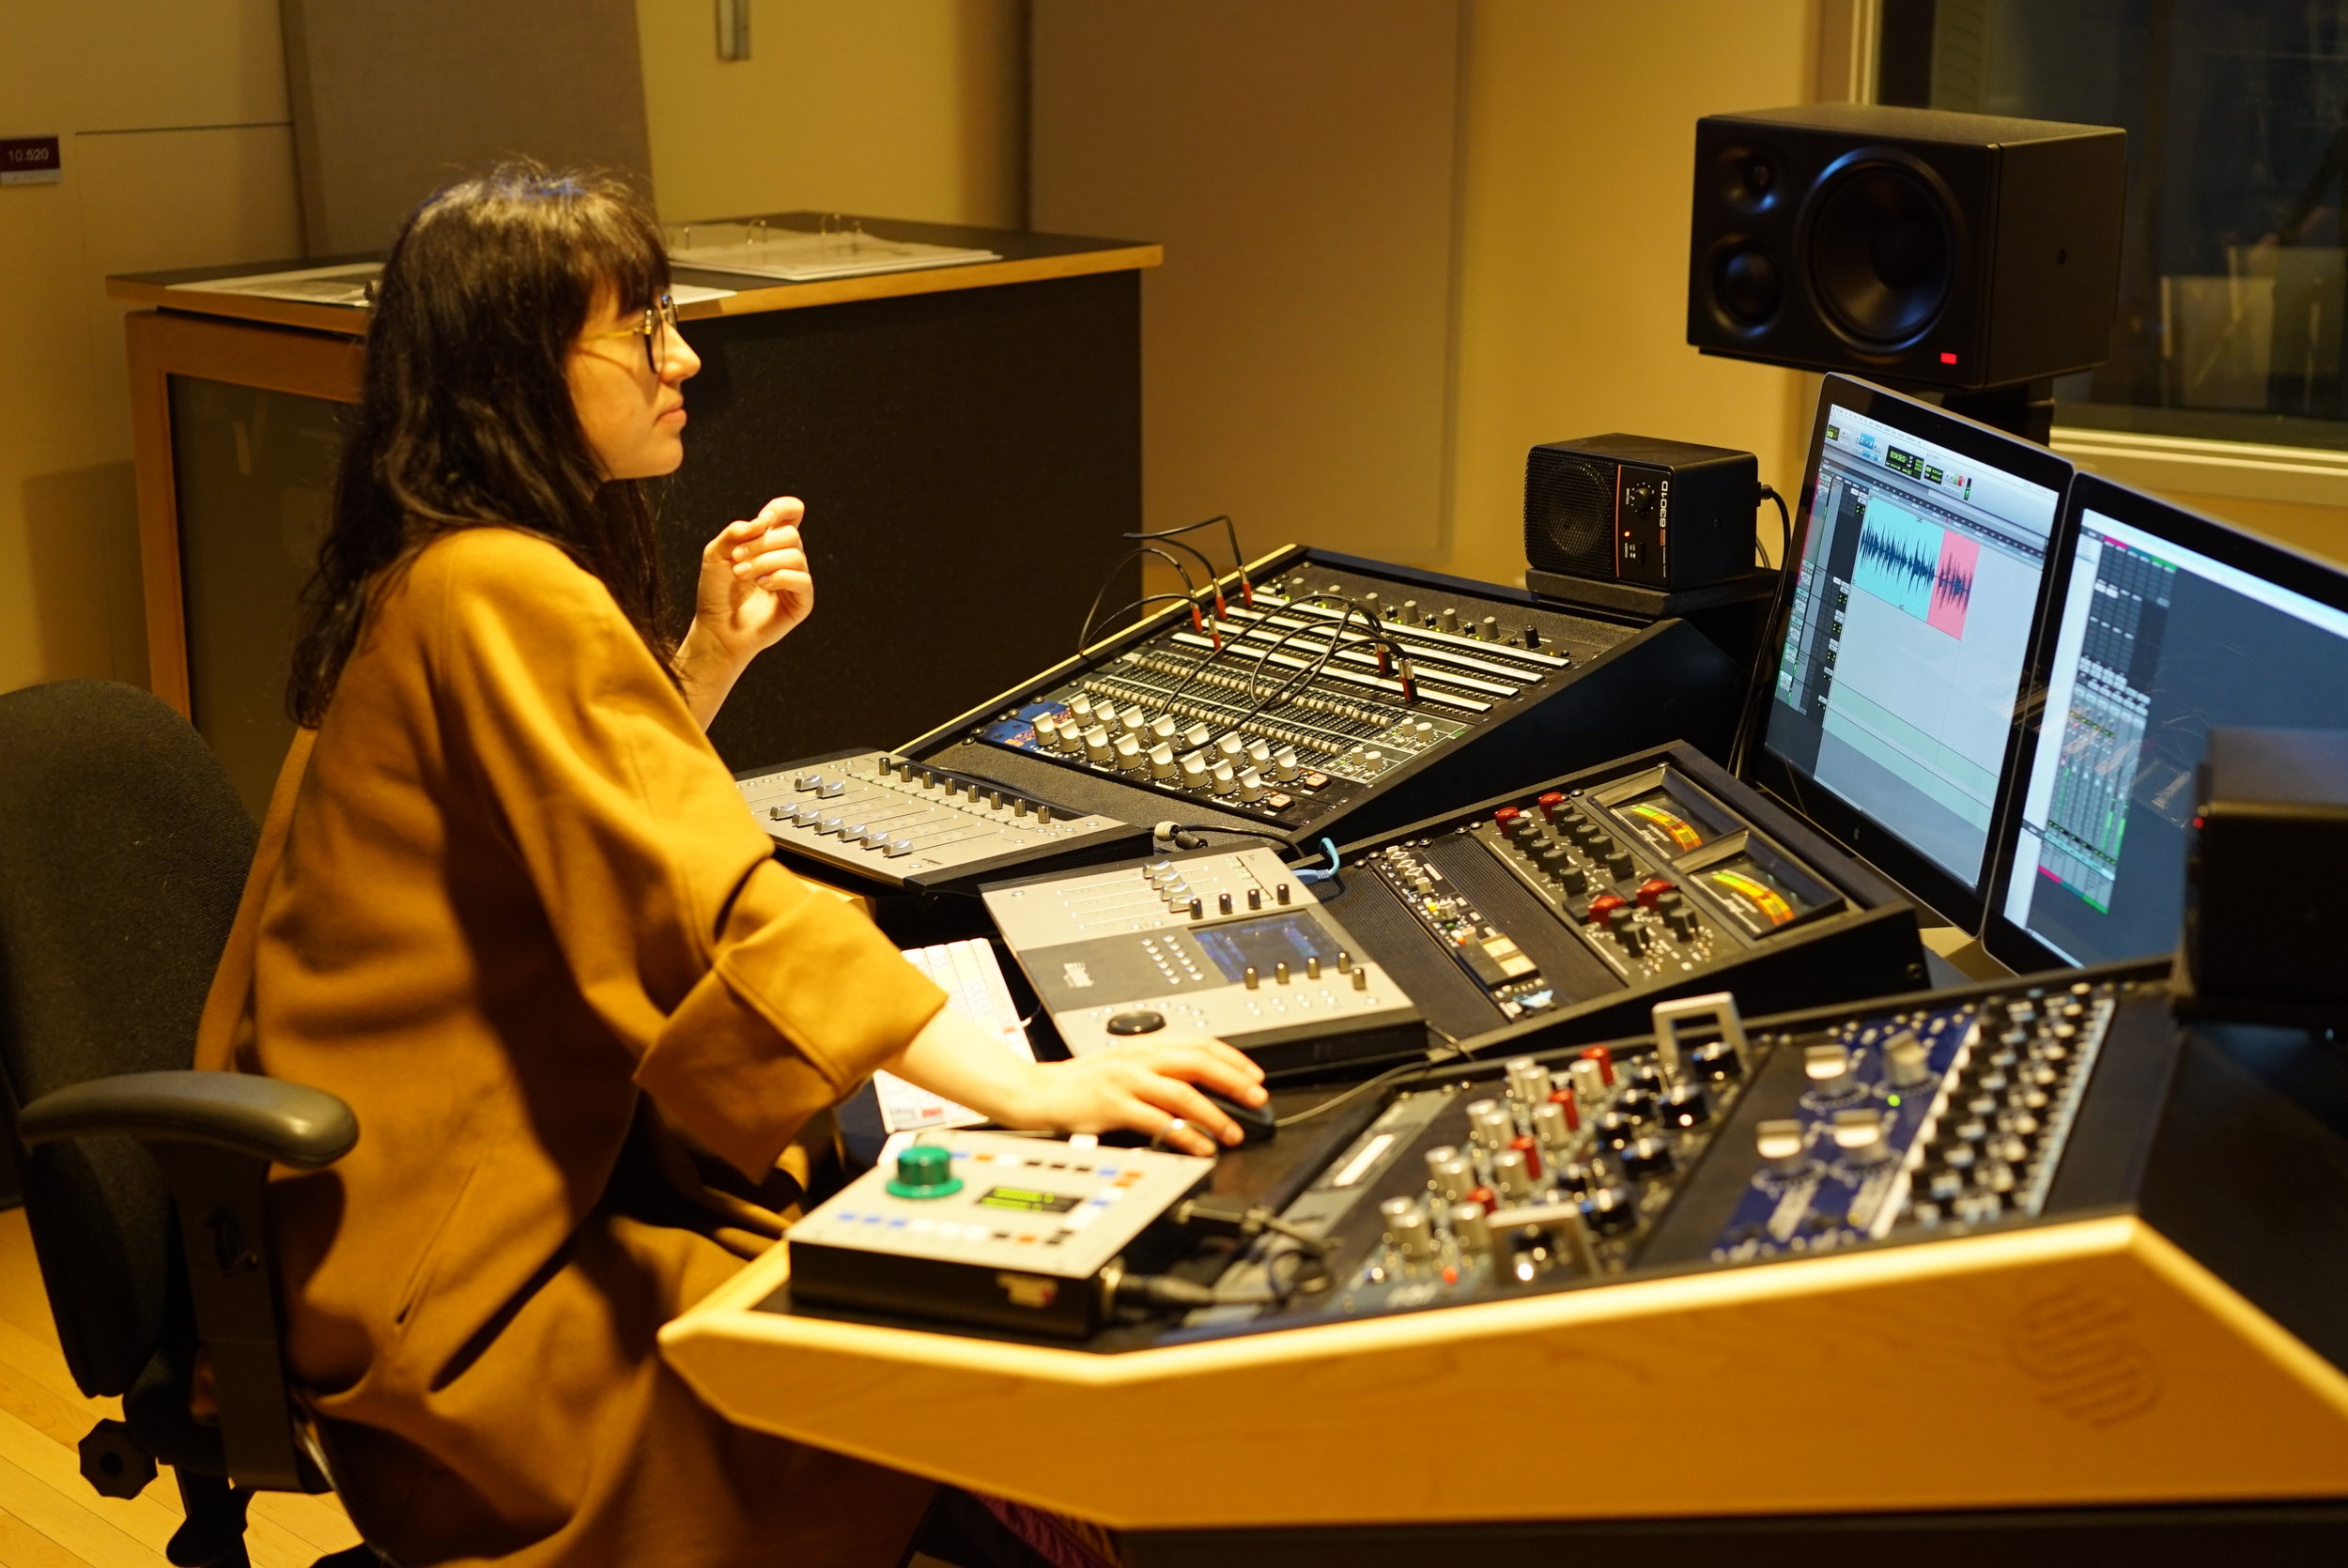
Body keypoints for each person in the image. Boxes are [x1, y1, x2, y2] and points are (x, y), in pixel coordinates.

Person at [193, 162, 1265, 1567]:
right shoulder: (501, 586)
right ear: (520, 366)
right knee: (937, 1388)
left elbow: (568, 843)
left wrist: (703, 662)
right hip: (481, 1311)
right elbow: (710, 908)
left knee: (898, 1249)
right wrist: (1027, 1084)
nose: (684, 358)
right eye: (641, 329)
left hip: (403, 1245)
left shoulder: (431, 568)